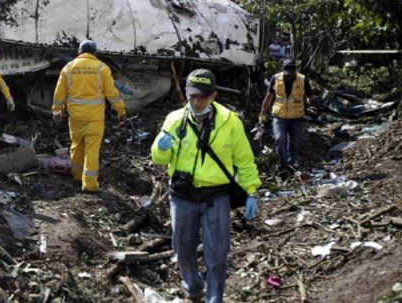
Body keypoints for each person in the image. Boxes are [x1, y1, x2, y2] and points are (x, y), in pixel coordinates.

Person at [151, 68, 261, 303]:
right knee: (182, 250)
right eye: (192, 96)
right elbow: (160, 160)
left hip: (216, 196)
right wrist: (160, 149)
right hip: (182, 196)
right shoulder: (173, 119)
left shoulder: (230, 123)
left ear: (214, 95)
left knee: (217, 255)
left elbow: (244, 160)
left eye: (202, 96)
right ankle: (193, 286)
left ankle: (214, 298)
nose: (196, 101)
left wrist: (252, 191)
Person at [51, 40, 126, 192]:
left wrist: (57, 112)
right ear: (95, 53)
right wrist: (121, 111)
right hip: (94, 118)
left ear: (79, 52)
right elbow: (112, 94)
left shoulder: (68, 67)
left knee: (76, 145)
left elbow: (59, 93)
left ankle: (77, 175)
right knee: (92, 150)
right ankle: (90, 184)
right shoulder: (101, 68)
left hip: (76, 117)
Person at [259, 58, 312, 172]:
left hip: (296, 117)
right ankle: (283, 164)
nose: (289, 76)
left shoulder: (303, 80)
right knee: (280, 138)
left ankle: (293, 162)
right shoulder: (276, 78)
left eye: (291, 74)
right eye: (287, 73)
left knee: (294, 141)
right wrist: (262, 112)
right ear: (283, 70)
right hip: (279, 115)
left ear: (295, 70)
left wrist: (308, 100)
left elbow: (309, 95)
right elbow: (269, 97)